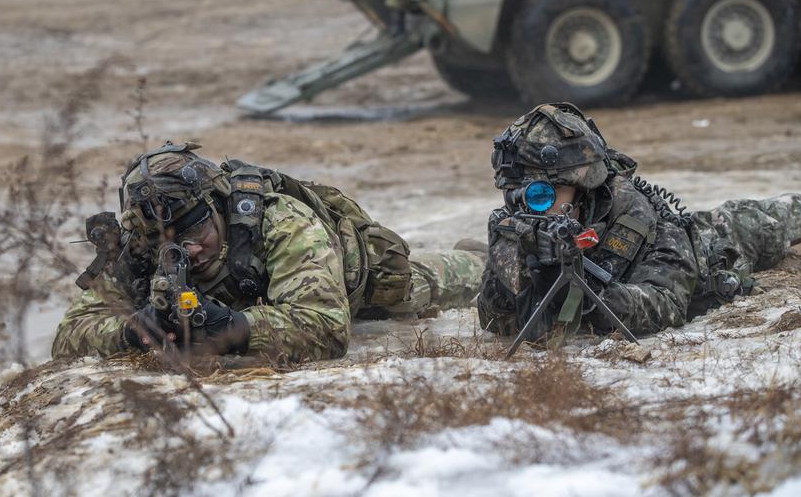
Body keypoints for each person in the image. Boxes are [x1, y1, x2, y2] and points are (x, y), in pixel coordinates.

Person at [52, 142, 484, 362]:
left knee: (426, 281)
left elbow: (328, 327)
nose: (189, 250)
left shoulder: (279, 221)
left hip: (363, 284)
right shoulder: (141, 244)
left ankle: (478, 259)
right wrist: (131, 331)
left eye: (197, 230)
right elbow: (69, 335)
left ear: (218, 206)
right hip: (266, 301)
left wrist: (234, 328)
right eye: (170, 243)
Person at [477, 102, 801, 342]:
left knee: (769, 218)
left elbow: (666, 304)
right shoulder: (520, 227)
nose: (525, 208)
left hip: (713, 243)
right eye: (513, 195)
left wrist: (592, 299)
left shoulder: (634, 217)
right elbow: (494, 317)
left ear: (581, 187)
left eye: (539, 195)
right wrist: (525, 272)